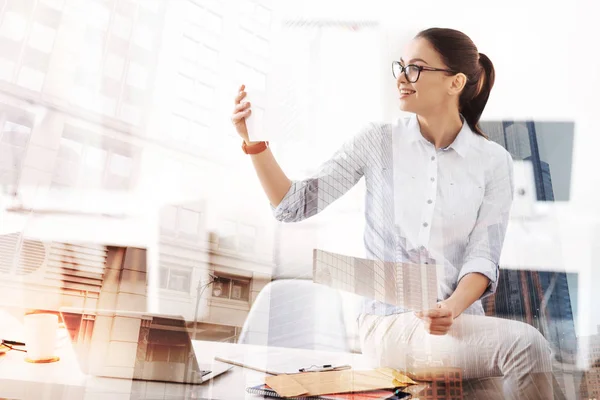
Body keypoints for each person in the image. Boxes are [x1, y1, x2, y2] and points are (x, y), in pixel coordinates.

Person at [231, 27, 554, 399]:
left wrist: (450, 309)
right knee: (528, 347)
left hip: (464, 329)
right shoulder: (378, 141)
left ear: (456, 83)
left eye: (416, 68)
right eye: (400, 66)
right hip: (389, 325)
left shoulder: (494, 162)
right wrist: (253, 143)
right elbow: (293, 206)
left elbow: (483, 257)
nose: (402, 78)